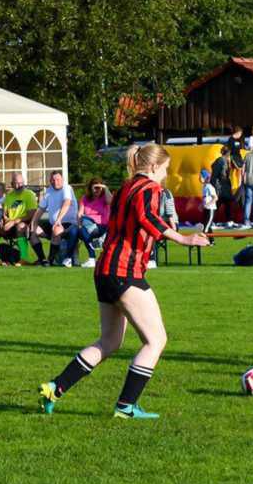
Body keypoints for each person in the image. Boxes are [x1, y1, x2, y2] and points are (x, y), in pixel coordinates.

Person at [36, 143, 209, 419]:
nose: (165, 175)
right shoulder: (151, 189)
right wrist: (183, 238)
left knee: (109, 341)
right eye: (164, 169)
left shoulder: (126, 187)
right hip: (125, 271)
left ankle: (55, 387)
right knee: (156, 340)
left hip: (104, 270)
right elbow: (147, 218)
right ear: (153, 167)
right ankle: (126, 406)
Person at [30, 170, 80, 267]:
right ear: (50, 181)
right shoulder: (49, 191)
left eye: (58, 179)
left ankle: (51, 260)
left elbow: (67, 203)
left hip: (68, 224)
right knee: (32, 232)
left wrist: (58, 220)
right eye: (53, 180)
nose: (55, 182)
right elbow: (40, 209)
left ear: (62, 179)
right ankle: (43, 260)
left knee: (56, 230)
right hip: (54, 223)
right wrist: (33, 223)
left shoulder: (67, 188)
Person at [1, 172, 42, 265]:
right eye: (16, 183)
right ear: (12, 184)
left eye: (21, 183)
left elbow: (31, 214)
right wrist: (3, 220)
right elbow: (5, 213)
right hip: (9, 224)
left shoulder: (29, 195)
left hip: (25, 222)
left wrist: (14, 221)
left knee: (20, 226)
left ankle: (24, 258)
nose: (19, 185)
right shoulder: (9, 196)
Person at [78, 177, 111, 268]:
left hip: (101, 226)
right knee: (81, 227)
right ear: (90, 188)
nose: (97, 190)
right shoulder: (85, 198)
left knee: (84, 226)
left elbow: (111, 201)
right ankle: (92, 258)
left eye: (99, 188)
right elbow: (80, 213)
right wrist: (80, 225)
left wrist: (105, 188)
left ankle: (94, 252)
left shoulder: (104, 197)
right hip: (88, 224)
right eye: (95, 187)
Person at [146, 187, 179, 270]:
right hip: (159, 223)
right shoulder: (150, 192)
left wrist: (174, 230)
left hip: (170, 223)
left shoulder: (165, 193)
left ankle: (151, 260)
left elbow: (170, 212)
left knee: (151, 232)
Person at [210, 145, 236, 225]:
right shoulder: (221, 161)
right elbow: (216, 175)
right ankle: (211, 220)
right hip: (220, 187)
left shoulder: (225, 160)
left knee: (227, 203)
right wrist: (213, 186)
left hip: (224, 186)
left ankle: (229, 220)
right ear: (228, 153)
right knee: (218, 203)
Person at [200, 168, 217, 233]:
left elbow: (215, 198)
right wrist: (202, 205)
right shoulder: (204, 187)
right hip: (206, 209)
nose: (200, 178)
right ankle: (211, 241)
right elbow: (205, 198)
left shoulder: (209, 187)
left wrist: (207, 204)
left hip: (211, 209)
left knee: (205, 228)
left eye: (201, 177)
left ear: (205, 178)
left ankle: (202, 242)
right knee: (207, 225)